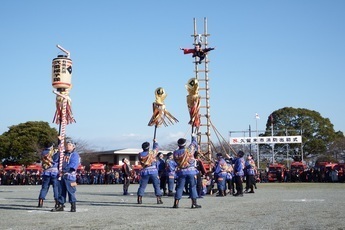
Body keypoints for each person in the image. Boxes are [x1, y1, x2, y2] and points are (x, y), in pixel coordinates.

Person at [172, 134, 201, 209]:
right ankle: (194, 203)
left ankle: (176, 203)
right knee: (192, 186)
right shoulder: (188, 150)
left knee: (179, 187)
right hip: (190, 171)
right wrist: (193, 137)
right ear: (185, 144)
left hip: (181, 171)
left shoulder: (175, 152)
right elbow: (194, 144)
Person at [51, 140, 80, 212]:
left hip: (70, 177)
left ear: (73, 147)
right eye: (67, 145)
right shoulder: (62, 154)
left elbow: (73, 165)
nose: (68, 146)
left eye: (70, 145)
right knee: (61, 191)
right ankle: (60, 205)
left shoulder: (75, 155)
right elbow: (54, 159)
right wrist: (58, 152)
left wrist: (64, 170)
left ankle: (73, 205)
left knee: (71, 191)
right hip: (61, 176)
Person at [137, 140, 163, 205]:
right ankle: (158, 199)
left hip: (144, 171)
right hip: (153, 171)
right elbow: (156, 148)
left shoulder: (140, 154)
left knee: (142, 186)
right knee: (156, 185)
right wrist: (155, 142)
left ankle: (139, 198)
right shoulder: (152, 153)